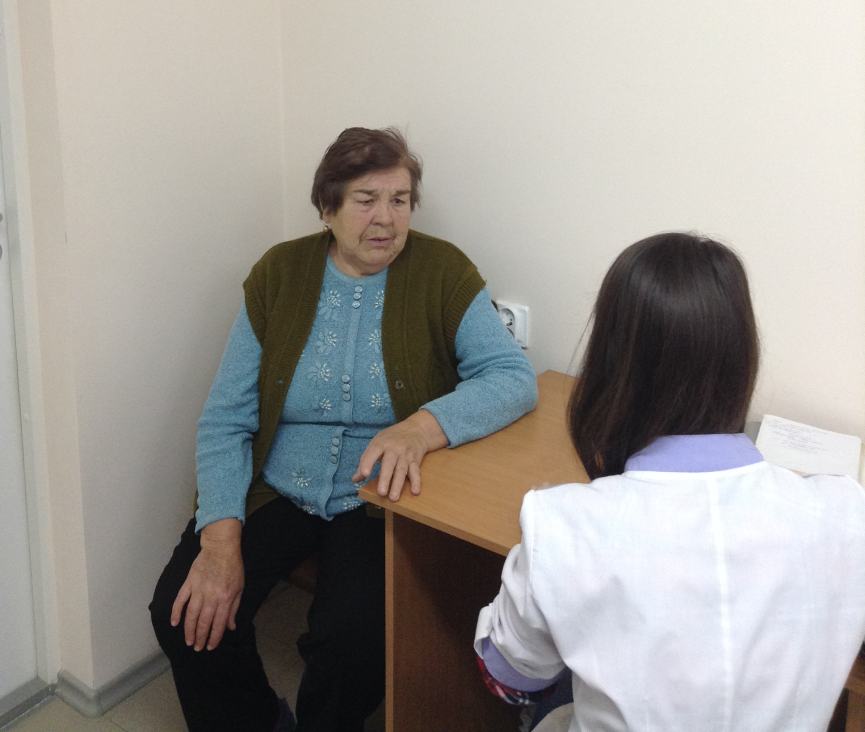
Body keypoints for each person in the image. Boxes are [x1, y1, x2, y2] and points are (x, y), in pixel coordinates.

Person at [150, 127, 538, 732]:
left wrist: (421, 428)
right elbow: (227, 416)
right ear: (327, 208)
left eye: (400, 200)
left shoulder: (442, 270)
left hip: (379, 493)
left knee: (352, 643)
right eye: (365, 200)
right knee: (182, 612)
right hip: (277, 484)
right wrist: (219, 543)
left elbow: (512, 377)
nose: (385, 218)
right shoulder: (279, 274)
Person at [474, 233, 865, 731]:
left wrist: (538, 576)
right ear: (742, 356)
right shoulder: (845, 512)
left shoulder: (562, 525)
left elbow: (511, 679)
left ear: (612, 362)